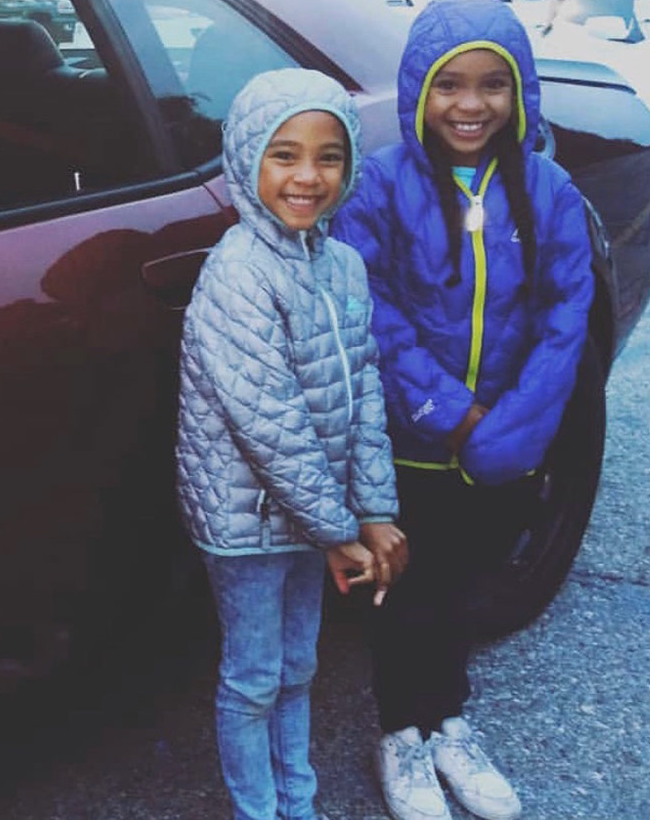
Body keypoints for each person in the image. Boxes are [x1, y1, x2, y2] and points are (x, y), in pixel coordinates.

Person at [332, 0, 593, 820]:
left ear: (520, 93)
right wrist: (451, 410)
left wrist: (514, 425)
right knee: (405, 592)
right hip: (411, 444)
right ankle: (399, 736)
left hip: (506, 448)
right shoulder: (380, 184)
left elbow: (566, 316)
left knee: (463, 588)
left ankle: (447, 721)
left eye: (492, 85)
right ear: (418, 89)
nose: (470, 105)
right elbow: (368, 301)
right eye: (448, 84)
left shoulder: (547, 189)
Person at [177, 68, 406, 820]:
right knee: (252, 674)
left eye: (329, 156)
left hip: (316, 522)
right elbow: (267, 423)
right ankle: (257, 808)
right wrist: (342, 529)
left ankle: (296, 799)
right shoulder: (237, 273)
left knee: (299, 665)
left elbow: (364, 389)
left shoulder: (342, 265)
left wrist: (373, 507)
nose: (308, 176)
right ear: (247, 158)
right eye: (284, 154)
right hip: (247, 525)